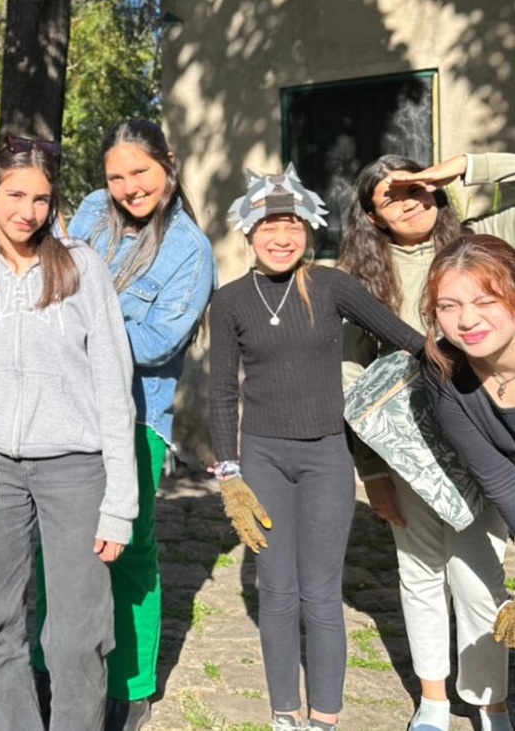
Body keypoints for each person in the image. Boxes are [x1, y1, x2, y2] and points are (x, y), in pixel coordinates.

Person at [208, 164, 425, 731]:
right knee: (277, 592)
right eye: (269, 226)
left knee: (322, 595)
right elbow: (221, 392)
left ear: (309, 230)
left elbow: (406, 341)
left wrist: (475, 365)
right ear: (249, 234)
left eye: (293, 226)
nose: (282, 237)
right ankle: (285, 714)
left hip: (328, 456)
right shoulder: (230, 301)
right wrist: (229, 473)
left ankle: (325, 717)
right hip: (261, 459)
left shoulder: (332, 287)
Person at [29, 118, 215, 730]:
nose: (129, 187)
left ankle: (130, 685)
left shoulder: (190, 248)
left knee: (129, 548)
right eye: (117, 176)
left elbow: (161, 340)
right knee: (57, 543)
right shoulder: (88, 211)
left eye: (140, 172)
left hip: (136, 414)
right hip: (63, 407)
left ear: (169, 162)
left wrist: (75, 328)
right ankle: (47, 664)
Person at [0, 137, 138, 731]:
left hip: (77, 472)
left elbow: (115, 382)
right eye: (14, 195)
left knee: (76, 635)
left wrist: (120, 504)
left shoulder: (81, 266)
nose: (27, 212)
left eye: (40, 198)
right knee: (0, 627)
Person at [340, 156, 511, 731]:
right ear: (372, 214)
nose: (411, 200)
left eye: (420, 188)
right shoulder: (358, 277)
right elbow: (352, 378)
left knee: (477, 573)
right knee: (418, 570)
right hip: (409, 450)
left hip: (483, 434)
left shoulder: (481, 246)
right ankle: (434, 699)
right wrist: (375, 471)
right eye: (394, 196)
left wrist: (463, 166)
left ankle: (491, 701)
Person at [422, 233, 515, 650]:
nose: (467, 321)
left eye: (485, 301)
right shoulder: (445, 372)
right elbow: (501, 480)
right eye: (449, 306)